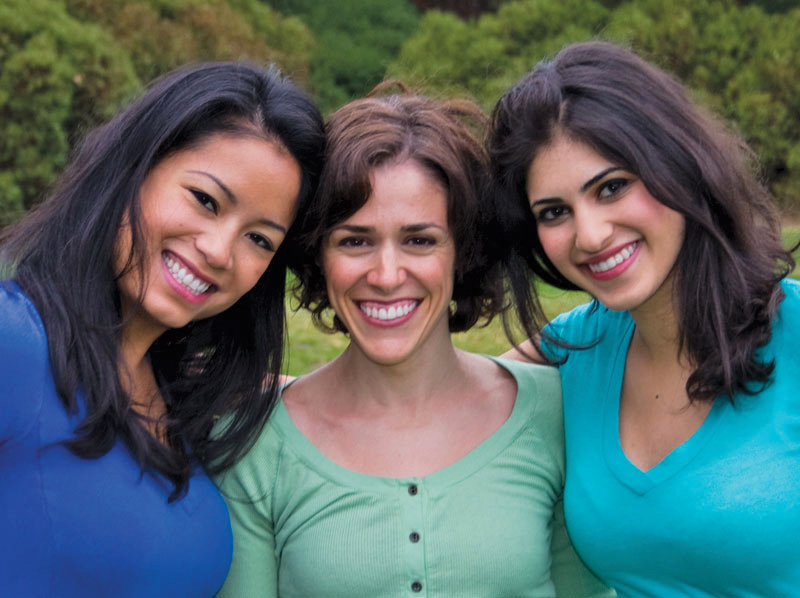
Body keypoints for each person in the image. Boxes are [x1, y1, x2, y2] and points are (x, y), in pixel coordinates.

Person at [213, 87, 612, 598]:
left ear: (462, 251)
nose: (385, 275)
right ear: (317, 256)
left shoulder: (554, 412)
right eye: (354, 240)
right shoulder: (254, 441)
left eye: (420, 240)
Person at [488, 40, 800, 597]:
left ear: (677, 164)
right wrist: (285, 397)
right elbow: (429, 398)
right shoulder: (574, 350)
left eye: (612, 187)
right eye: (554, 212)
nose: (590, 235)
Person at [0, 62, 325, 596]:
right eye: (204, 200)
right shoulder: (19, 344)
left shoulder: (180, 406)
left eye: (260, 240)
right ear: (133, 167)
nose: (220, 251)